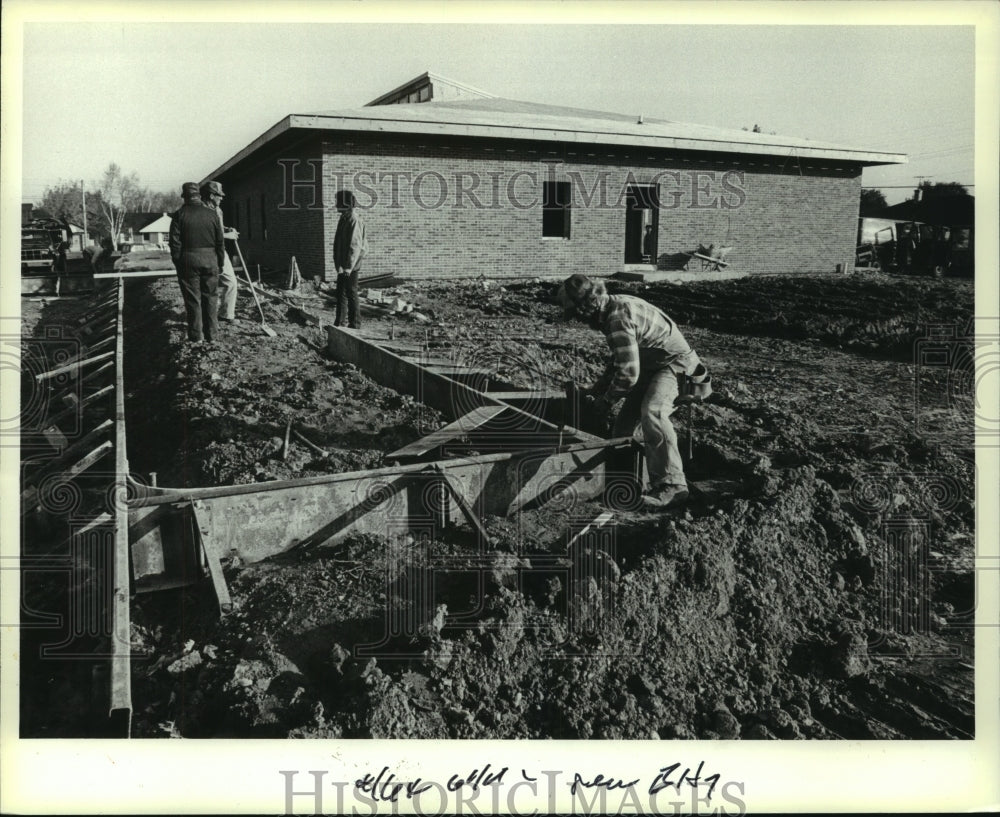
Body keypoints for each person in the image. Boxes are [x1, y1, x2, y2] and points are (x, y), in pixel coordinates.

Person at [556, 273, 710, 511]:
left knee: (654, 411)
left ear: (587, 305)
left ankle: (673, 485)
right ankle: (625, 485)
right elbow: (620, 360)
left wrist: (605, 401)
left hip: (675, 364)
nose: (580, 320)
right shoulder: (613, 306)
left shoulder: (618, 317)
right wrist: (595, 390)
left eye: (577, 313)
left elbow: (628, 375)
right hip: (651, 366)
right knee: (623, 429)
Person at [169, 182, 224, 343]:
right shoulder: (212, 214)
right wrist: (220, 261)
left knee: (193, 300)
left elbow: (174, 243)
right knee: (211, 298)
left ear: (184, 197)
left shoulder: (179, 215)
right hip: (210, 260)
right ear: (199, 196)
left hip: (188, 261)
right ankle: (212, 336)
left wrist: (178, 261)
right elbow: (220, 241)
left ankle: (196, 336)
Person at [199, 181, 240, 322]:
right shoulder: (201, 211)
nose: (222, 198)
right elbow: (207, 233)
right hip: (207, 253)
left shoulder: (218, 210)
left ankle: (226, 314)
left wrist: (227, 229)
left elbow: (218, 228)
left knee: (231, 283)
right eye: (219, 195)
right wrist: (227, 236)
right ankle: (204, 318)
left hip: (221, 252)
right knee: (207, 286)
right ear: (211, 195)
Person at [332, 189, 368, 329]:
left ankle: (355, 324)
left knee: (351, 292)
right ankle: (340, 323)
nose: (335, 205)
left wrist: (348, 266)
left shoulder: (354, 219)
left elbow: (355, 245)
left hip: (351, 263)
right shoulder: (344, 218)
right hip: (344, 263)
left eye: (338, 202)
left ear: (345, 203)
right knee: (341, 292)